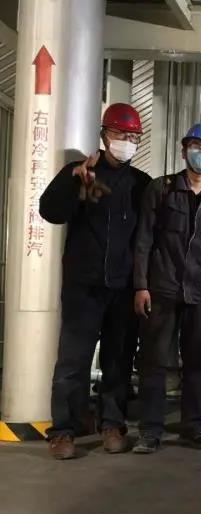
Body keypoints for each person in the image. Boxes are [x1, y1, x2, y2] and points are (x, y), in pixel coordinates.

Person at [40, 103, 151, 459]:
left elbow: (148, 238)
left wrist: (142, 284)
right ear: (104, 135)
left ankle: (112, 425)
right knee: (73, 361)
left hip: (123, 289)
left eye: (133, 136)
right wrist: (73, 182)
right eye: (120, 134)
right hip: (83, 287)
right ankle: (63, 431)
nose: (127, 142)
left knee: (118, 360)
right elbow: (50, 212)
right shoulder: (81, 173)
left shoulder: (141, 184)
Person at [132, 122, 201, 454]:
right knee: (154, 361)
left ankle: (195, 428)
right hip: (163, 289)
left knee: (199, 363)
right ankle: (150, 431)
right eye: (196, 147)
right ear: (183, 151)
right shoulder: (161, 189)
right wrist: (141, 285)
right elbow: (143, 240)